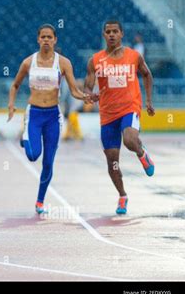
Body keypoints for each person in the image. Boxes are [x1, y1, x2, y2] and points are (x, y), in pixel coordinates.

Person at [8, 24, 91, 214]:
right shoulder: (29, 62)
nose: (46, 40)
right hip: (35, 114)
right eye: (43, 37)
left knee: (48, 162)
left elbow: (74, 90)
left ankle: (40, 201)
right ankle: (25, 139)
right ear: (38, 39)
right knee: (32, 155)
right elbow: (15, 85)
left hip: (53, 116)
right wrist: (11, 105)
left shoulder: (63, 63)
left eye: (49, 37)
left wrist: (85, 97)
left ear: (55, 40)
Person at [84, 20, 155, 215]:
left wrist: (148, 101)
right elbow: (88, 86)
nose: (112, 35)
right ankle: (122, 196)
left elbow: (147, 75)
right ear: (104, 35)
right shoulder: (95, 60)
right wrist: (90, 95)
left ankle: (142, 153)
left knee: (130, 140)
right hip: (107, 115)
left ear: (122, 34)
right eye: (108, 32)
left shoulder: (134, 56)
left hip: (129, 108)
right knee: (112, 162)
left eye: (115, 31)